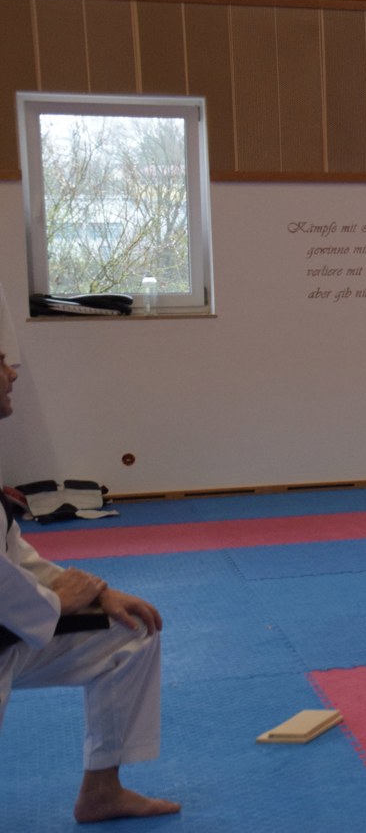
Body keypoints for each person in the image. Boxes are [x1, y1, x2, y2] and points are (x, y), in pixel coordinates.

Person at [0, 296, 179, 823]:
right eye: (2, 362)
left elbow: (13, 553)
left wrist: (96, 594)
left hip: (9, 639)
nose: (13, 374)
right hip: (10, 629)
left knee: (130, 631)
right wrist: (56, 602)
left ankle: (103, 791)